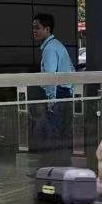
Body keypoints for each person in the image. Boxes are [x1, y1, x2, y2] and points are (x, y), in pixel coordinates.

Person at [33, 13, 72, 145]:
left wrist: (51, 100)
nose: (34, 31)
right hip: (64, 92)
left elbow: (50, 76)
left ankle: (55, 161)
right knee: (61, 132)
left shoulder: (50, 49)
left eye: (37, 28)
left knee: (54, 135)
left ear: (47, 29)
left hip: (58, 94)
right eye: (33, 28)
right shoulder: (56, 45)